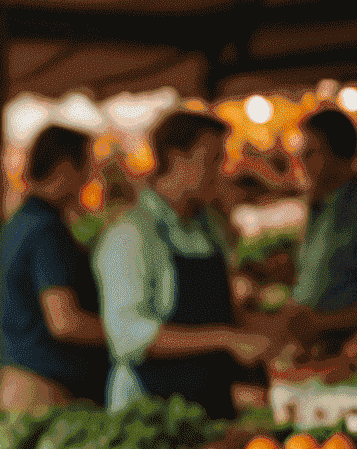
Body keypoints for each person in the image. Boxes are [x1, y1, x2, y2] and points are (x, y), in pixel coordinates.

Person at [96, 111, 271, 417]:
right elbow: (127, 336)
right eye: (212, 160)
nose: (221, 172)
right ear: (177, 159)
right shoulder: (132, 235)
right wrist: (225, 338)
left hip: (210, 406)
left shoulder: (209, 228)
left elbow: (226, 309)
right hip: (148, 414)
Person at [0, 127, 109, 410]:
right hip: (47, 390)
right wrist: (127, 332)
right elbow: (65, 321)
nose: (90, 179)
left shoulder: (18, 223)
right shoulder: (47, 231)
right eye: (87, 167)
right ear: (65, 167)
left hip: (18, 379)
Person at [289, 108, 357, 344]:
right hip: (316, 352)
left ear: (338, 153)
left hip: (349, 352)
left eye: (310, 153)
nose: (300, 160)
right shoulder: (320, 203)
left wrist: (322, 323)